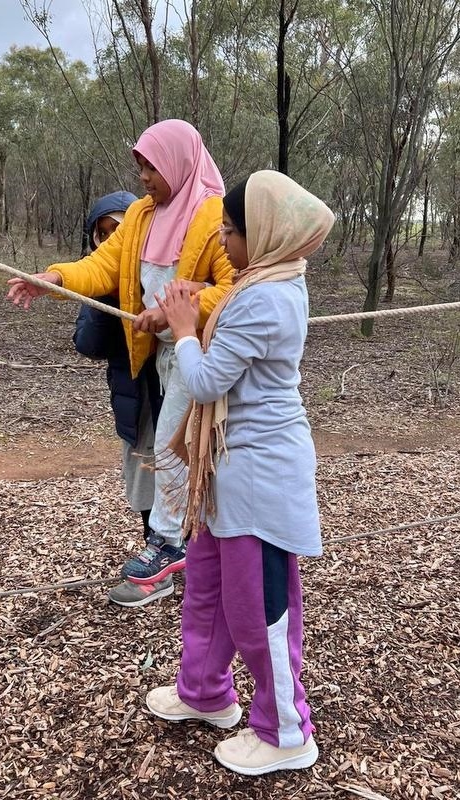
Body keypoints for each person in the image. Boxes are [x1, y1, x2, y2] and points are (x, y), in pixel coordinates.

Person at [146, 170, 335, 775]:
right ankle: (204, 692)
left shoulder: (266, 297)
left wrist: (180, 330)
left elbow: (203, 379)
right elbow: (220, 305)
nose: (223, 241)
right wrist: (178, 309)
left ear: (268, 235)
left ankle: (285, 730)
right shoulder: (266, 280)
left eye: (230, 231)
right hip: (225, 469)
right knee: (206, 588)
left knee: (259, 607)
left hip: (258, 474)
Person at [6, 119, 234, 607]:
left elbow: (234, 289)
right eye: (141, 167)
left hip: (201, 353)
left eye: (152, 166)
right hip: (156, 355)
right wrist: (56, 278)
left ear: (178, 161)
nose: (145, 177)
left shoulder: (215, 217)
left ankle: (170, 546)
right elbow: (105, 264)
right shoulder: (142, 216)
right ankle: (195, 555)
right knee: (165, 446)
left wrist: (174, 314)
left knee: (179, 445)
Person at [73, 191, 162, 544]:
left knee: (182, 475)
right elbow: (89, 343)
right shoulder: (96, 281)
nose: (113, 240)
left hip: (175, 392)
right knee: (143, 474)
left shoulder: (161, 270)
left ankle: (190, 557)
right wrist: (105, 293)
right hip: (134, 398)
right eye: (104, 233)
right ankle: (154, 547)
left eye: (120, 230)